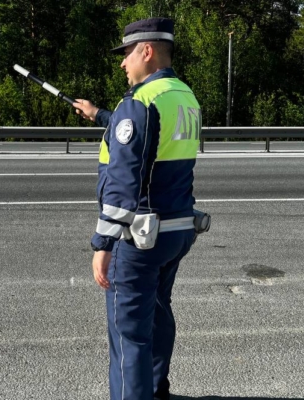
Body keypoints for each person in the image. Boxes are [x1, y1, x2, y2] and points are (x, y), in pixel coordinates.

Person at [73, 17, 202, 400]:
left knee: (128, 333)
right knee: (159, 316)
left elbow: (124, 184)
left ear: (146, 51)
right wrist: (99, 115)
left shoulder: (140, 102)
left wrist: (102, 244)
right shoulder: (184, 96)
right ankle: (157, 391)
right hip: (177, 231)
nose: (122, 64)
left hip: (139, 238)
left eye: (126, 54)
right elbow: (148, 137)